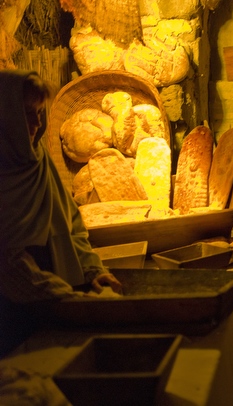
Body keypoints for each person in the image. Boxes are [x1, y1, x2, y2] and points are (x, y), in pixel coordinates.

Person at [0, 70, 122, 357]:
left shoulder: (38, 161)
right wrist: (58, 295)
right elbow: (6, 259)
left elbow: (72, 226)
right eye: (27, 114)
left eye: (40, 113)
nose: (36, 123)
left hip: (63, 298)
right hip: (15, 311)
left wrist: (93, 270)